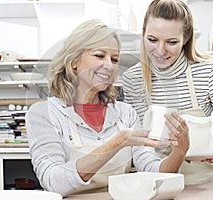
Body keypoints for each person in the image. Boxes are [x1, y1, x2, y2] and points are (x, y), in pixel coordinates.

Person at [26, 19, 189, 197]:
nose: (109, 65)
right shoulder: (44, 113)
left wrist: (179, 152)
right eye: (99, 55)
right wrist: (117, 142)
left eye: (114, 59)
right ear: (74, 61)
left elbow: (153, 171)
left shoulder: (125, 113)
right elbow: (53, 182)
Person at [122, 0, 213, 185]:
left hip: (209, 176)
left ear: (186, 38)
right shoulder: (133, 79)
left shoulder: (210, 70)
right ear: (143, 34)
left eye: (171, 42)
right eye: (152, 40)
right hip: (162, 176)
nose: (160, 51)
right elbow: (143, 141)